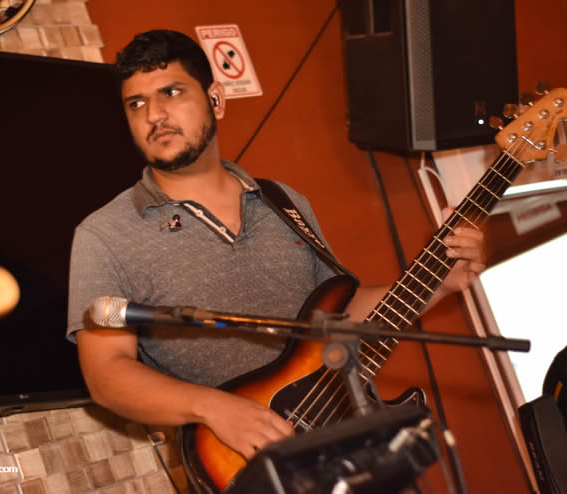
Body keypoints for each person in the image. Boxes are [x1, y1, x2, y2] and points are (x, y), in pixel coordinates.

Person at [66, 30, 486, 460]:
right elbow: (106, 375)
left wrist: (438, 283)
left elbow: (339, 318)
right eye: (136, 104)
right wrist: (213, 408)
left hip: (352, 449)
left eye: (171, 92)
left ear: (216, 99)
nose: (154, 114)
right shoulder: (104, 235)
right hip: (242, 468)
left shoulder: (284, 202)